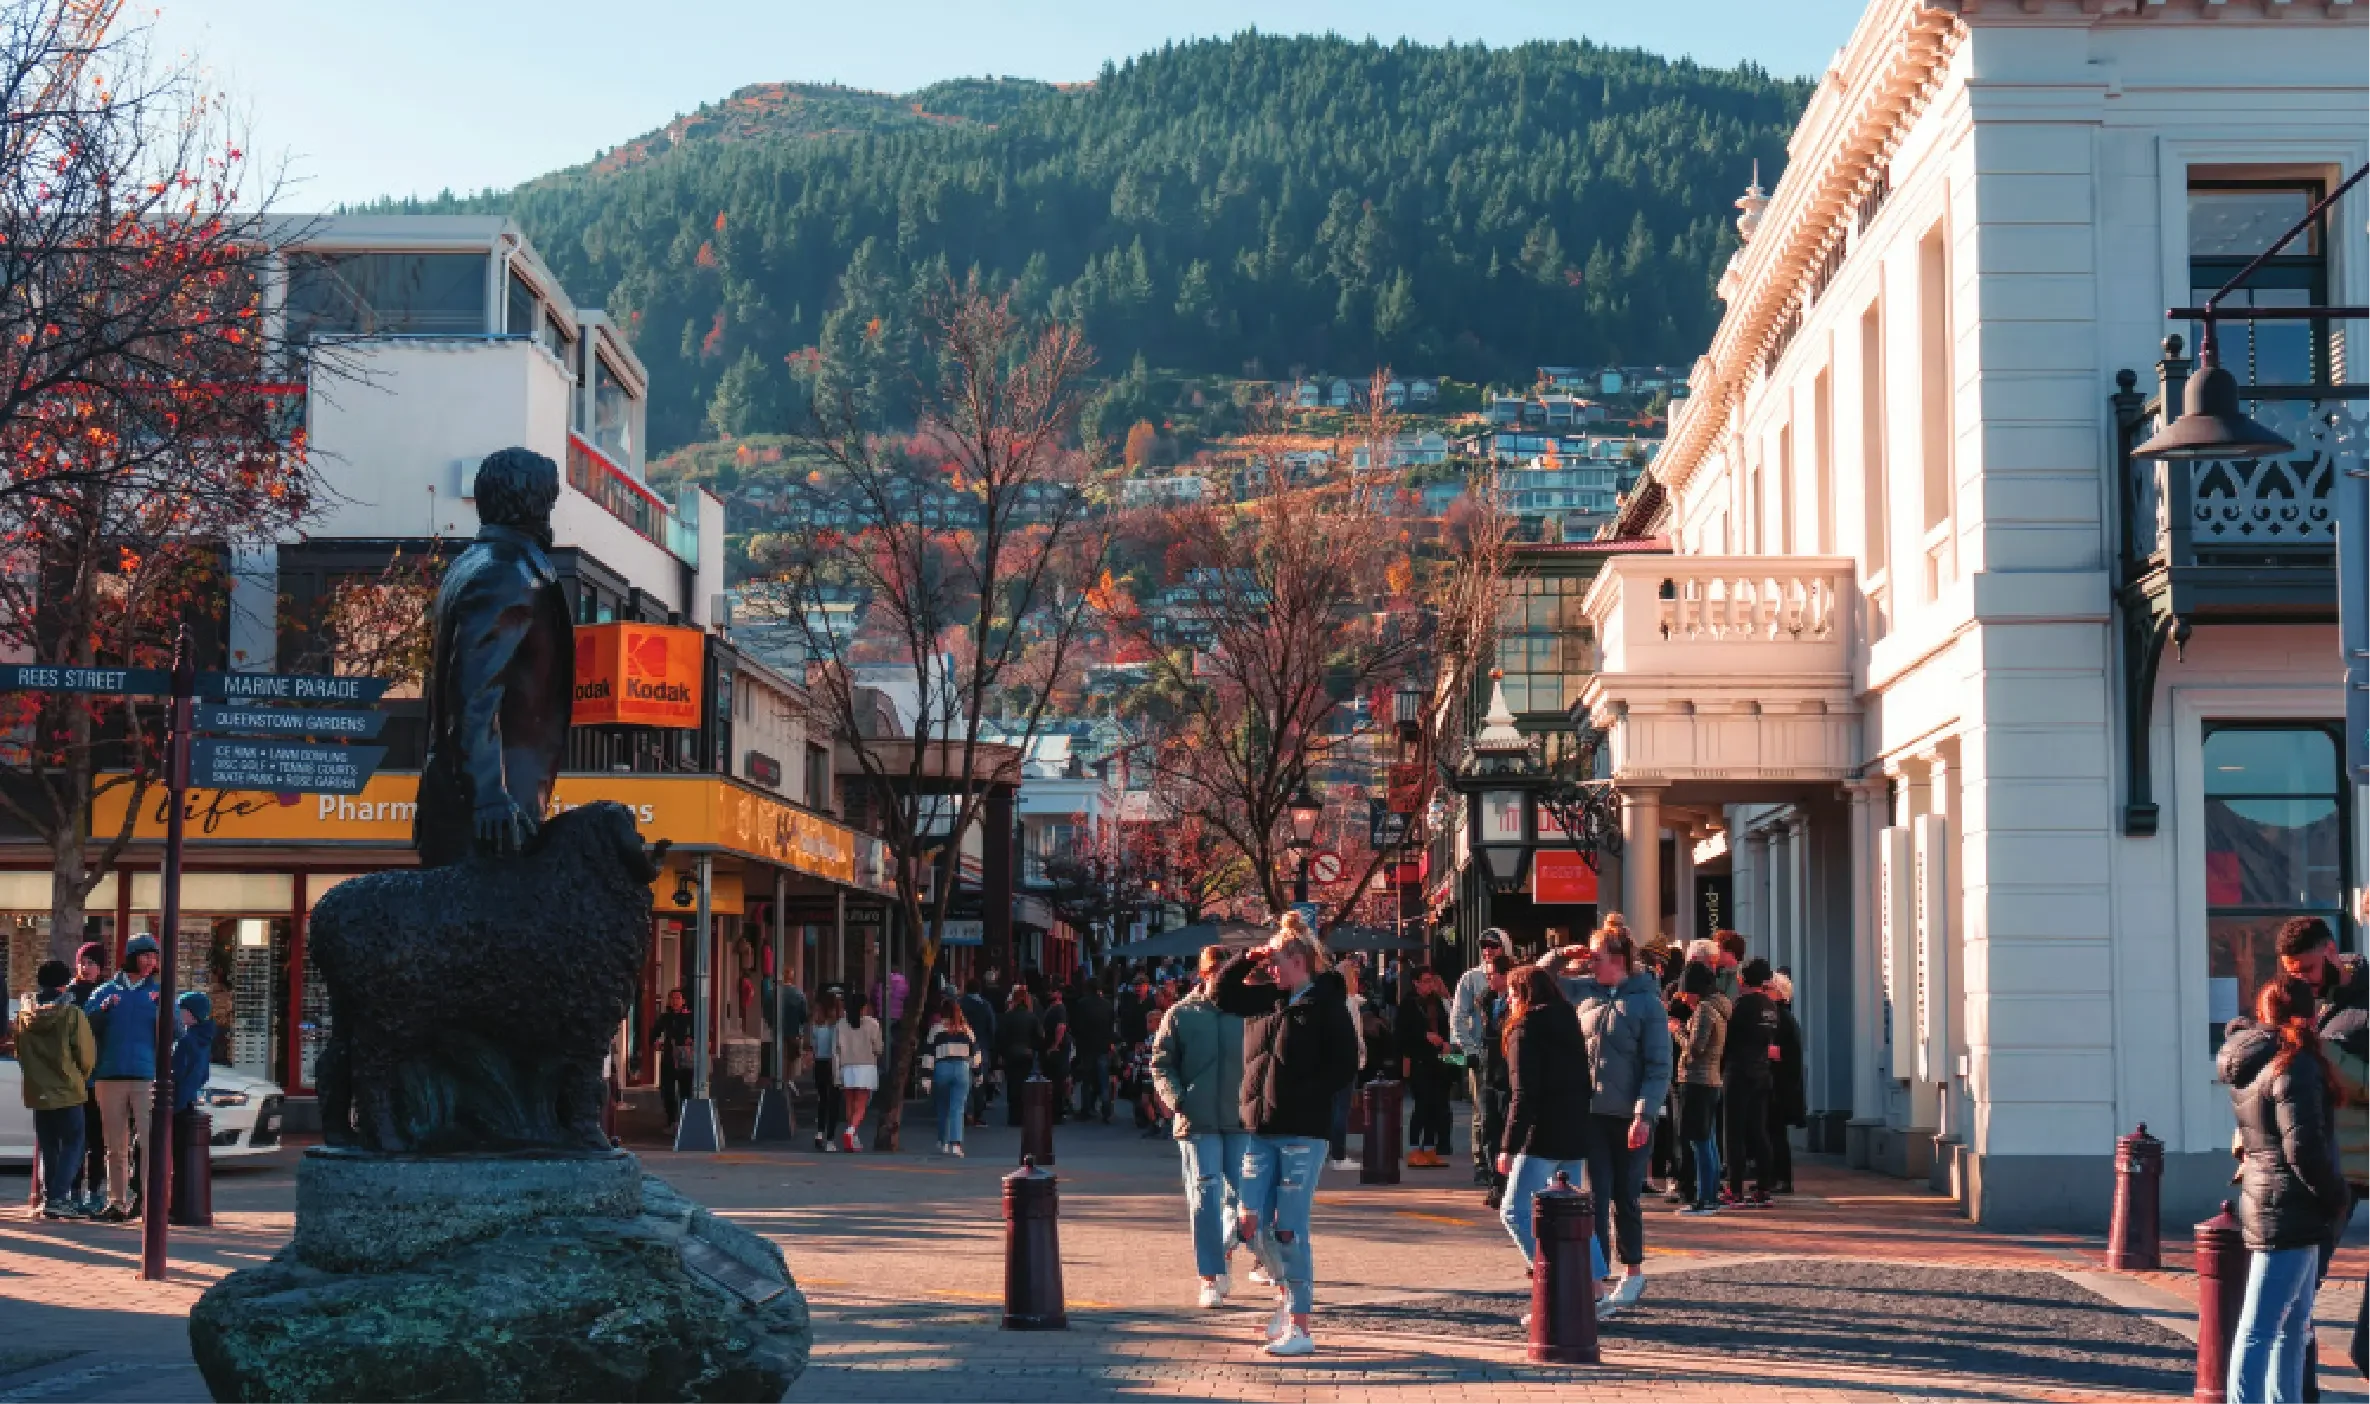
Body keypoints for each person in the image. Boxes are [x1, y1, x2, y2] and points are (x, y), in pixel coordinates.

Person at [1214, 913, 1359, 1358]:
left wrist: (1303, 1095)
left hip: (1302, 1132)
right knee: (1248, 1222)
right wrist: (1248, 957)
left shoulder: (1326, 1006)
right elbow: (1224, 994)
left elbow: (1345, 1065)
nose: (1270, 968)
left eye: (1276, 960)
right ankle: (1284, 1295)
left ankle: (1300, 1324)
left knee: (1290, 1229)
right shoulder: (1267, 1000)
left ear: (1298, 961)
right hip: (1259, 1130)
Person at [2221, 976, 2348, 1404]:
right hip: (2292, 1206)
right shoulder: (2294, 1064)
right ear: (2308, 1013)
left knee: (2293, 1325)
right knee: (2263, 1328)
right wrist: (2336, 1196)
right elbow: (2304, 1148)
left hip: (2266, 1197)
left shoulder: (2254, 1060)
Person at [1539, 927, 1671, 1310]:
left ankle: (1633, 1270)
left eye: (1596, 956)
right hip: (1592, 1112)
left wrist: (1644, 1114)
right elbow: (1541, 980)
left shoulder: (1647, 1004)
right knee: (1594, 1198)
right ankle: (1594, 1279)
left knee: (1625, 1196)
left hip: (1630, 1115)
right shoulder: (1586, 991)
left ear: (1618, 959)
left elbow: (1658, 1066)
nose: (1589, 962)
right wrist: (1565, 952)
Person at [1495, 967, 1612, 1320]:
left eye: (1512, 993)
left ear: (1524, 994)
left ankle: (1556, 1285)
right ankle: (1594, 1290)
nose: (1508, 999)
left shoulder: (1524, 1029)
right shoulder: (1568, 1022)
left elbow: (1523, 1093)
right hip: (1573, 1132)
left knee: (1514, 1210)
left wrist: (1507, 1145)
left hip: (1541, 1135)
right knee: (1574, 1214)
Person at [1150, 944, 1251, 1309]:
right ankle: (1209, 1276)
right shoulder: (1181, 1014)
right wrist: (1178, 1099)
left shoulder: (1246, 1011)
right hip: (1198, 1120)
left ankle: (1223, 1248)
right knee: (1205, 1196)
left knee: (1245, 1198)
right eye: (1219, 972)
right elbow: (1161, 1062)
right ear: (1205, 974)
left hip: (1241, 1119)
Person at [85, 934, 162, 1223]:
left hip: (145, 1076)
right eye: (146, 956)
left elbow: (177, 1033)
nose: (151, 962)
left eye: (154, 957)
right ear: (131, 956)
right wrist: (103, 1011)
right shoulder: (104, 992)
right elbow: (86, 1027)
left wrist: (162, 1012)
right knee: (115, 1146)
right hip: (109, 1075)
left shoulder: (158, 994)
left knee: (150, 1143)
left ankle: (149, 1202)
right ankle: (116, 1202)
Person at [16, 960, 95, 1220]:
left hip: (38, 1089)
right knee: (74, 1142)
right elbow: (85, 1055)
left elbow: (20, 1052)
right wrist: (79, 1077)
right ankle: (58, 1197)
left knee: (49, 1146)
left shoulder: (25, 1015)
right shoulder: (72, 1014)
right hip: (67, 1089)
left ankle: (51, 1198)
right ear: (64, 983)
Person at [1670, 961, 1730, 1217]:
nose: (1684, 998)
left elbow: (1695, 1049)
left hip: (1697, 1080)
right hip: (1711, 1080)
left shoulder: (1705, 1010)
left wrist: (1677, 1031)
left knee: (1699, 1142)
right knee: (1708, 1141)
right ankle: (1710, 1195)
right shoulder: (1718, 1006)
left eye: (1686, 992)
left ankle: (1706, 1198)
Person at [1451, 929, 1510, 1186]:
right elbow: (1458, 1017)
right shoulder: (1471, 979)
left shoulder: (1516, 976)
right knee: (1482, 1111)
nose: (1487, 950)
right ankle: (1482, 1162)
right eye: (1483, 945)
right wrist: (1470, 1050)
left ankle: (1506, 1159)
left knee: (1508, 1110)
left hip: (1510, 1056)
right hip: (1483, 1055)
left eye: (1493, 945)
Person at [1723, 959, 1780, 1209]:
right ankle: (1764, 1188)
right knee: (1759, 1131)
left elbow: (1729, 1039)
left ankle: (1734, 1189)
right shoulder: (1770, 1006)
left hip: (1739, 1072)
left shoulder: (1741, 1005)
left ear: (1742, 979)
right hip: (1762, 1072)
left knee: (1734, 1132)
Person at [67, 942, 108, 1216]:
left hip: (100, 1076)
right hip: (74, 1077)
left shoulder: (106, 994)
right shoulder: (69, 994)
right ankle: (72, 1192)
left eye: (92, 962)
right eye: (83, 962)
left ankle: (95, 1192)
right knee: (74, 1139)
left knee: (97, 1139)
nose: (87, 967)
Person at [1399, 968, 1454, 1167]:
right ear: (1416, 982)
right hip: (1418, 1060)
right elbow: (1401, 1034)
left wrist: (1446, 1043)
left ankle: (1430, 1147)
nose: (1430, 985)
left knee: (1436, 1105)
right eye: (1426, 981)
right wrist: (1424, 1036)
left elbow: (1445, 1025)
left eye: (1432, 981)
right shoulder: (1408, 1004)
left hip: (1438, 1060)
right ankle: (1414, 1149)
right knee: (1422, 1105)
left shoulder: (1436, 1002)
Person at [1476, 955, 1514, 1209]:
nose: (1488, 979)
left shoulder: (1517, 1001)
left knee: (1508, 1133)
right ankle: (1495, 1184)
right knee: (1489, 1130)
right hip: (1489, 1074)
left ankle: (1509, 1184)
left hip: (1510, 1076)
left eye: (1492, 974)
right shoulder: (1487, 1000)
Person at [922, 997, 980, 1157]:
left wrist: (926, 1077)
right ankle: (956, 1143)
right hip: (961, 1068)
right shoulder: (966, 1029)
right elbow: (975, 1054)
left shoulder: (936, 1029)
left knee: (942, 1107)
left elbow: (928, 1054)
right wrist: (978, 1074)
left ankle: (943, 1141)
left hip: (942, 1067)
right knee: (958, 1107)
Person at [1327, 959, 1370, 1171]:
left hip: (1332, 1060)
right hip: (1346, 1060)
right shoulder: (1349, 1003)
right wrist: (1362, 1053)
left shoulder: (1333, 1002)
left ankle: (1331, 1152)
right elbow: (1355, 1034)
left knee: (1333, 1108)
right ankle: (1338, 1155)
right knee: (1341, 1109)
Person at [1768, 972, 1805, 1195]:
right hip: (1778, 1083)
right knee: (1772, 1132)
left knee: (1776, 1133)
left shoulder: (1782, 1018)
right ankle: (1774, 1176)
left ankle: (1782, 1178)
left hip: (1780, 1085)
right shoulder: (1779, 1016)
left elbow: (1787, 1053)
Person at [834, 992, 885, 1152]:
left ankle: (853, 1136)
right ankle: (851, 1131)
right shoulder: (872, 1024)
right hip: (866, 1067)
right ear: (864, 1007)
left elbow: (835, 1050)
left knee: (850, 1103)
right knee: (861, 1105)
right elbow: (878, 1048)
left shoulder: (841, 1024)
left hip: (846, 1067)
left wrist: (836, 1072)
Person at [649, 989, 695, 1130]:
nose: (675, 1001)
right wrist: (656, 1042)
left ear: (683, 1001)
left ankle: (685, 1120)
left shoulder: (689, 1018)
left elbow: (698, 1033)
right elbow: (654, 1034)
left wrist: (691, 1040)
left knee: (685, 1090)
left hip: (685, 1058)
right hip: (669, 1056)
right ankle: (671, 1120)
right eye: (672, 998)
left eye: (678, 998)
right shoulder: (665, 1018)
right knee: (668, 1090)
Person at [1071, 976, 1115, 1123]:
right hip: (1102, 1046)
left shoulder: (1082, 1004)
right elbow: (1111, 1026)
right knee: (1103, 1080)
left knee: (1087, 1080)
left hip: (1087, 1047)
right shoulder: (1107, 1005)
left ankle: (1086, 1109)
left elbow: (1076, 1026)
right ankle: (1106, 1110)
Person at [999, 987, 1042, 1128]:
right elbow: (1039, 1037)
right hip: (1026, 1054)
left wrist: (1002, 1053)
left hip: (1011, 1054)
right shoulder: (1032, 1017)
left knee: (1012, 1084)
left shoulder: (1007, 1017)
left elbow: (1001, 1037)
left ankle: (1013, 1116)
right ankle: (1024, 1115)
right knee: (1025, 1084)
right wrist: (1033, 1048)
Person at [959, 978, 998, 1127]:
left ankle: (963, 1112)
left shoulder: (961, 1004)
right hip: (981, 1047)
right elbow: (992, 1027)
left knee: (963, 1081)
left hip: (962, 1046)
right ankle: (977, 1114)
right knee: (979, 1081)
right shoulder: (985, 1005)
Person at [810, 991, 844, 1152]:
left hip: (820, 1064)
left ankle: (819, 1133)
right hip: (835, 1064)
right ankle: (830, 1138)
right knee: (834, 1102)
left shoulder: (817, 1026)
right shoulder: (838, 1027)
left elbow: (814, 1047)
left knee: (822, 1099)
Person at [172, 991, 215, 1115]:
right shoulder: (205, 1039)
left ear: (191, 1013)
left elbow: (177, 1070)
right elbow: (204, 1074)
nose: (177, 1013)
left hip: (176, 1101)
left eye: (180, 1009)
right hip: (190, 1100)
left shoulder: (185, 1039)